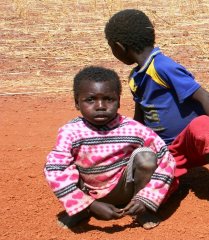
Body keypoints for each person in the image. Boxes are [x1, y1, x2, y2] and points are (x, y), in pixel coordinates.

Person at [104, 9, 209, 189]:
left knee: (203, 125)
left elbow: (206, 98)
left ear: (119, 47)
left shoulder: (162, 67)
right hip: (166, 151)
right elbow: (140, 118)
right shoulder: (135, 78)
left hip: (194, 145)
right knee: (155, 188)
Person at [44, 66, 175, 230]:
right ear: (77, 103)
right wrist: (89, 204)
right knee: (63, 166)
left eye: (109, 99)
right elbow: (54, 170)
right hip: (87, 191)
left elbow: (166, 158)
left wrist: (146, 197)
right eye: (90, 100)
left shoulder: (134, 129)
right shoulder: (70, 132)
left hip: (125, 190)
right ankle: (80, 210)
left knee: (147, 157)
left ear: (119, 101)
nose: (100, 106)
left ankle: (141, 210)